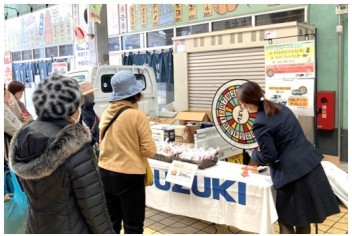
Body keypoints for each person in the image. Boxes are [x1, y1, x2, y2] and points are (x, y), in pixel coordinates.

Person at [9, 74, 115, 234]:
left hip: (35, 226)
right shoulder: (76, 144)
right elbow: (93, 205)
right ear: (72, 106)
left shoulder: (25, 135)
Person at [236, 81, 340, 234]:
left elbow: (269, 156)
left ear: (247, 103)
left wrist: (253, 154)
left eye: (243, 105)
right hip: (310, 164)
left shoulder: (260, 123)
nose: (243, 108)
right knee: (305, 216)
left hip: (292, 176)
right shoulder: (281, 108)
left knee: (286, 218)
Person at [98, 70, 157, 234]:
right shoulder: (137, 115)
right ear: (136, 92)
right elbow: (149, 150)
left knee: (111, 222)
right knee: (133, 225)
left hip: (104, 172)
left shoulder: (106, 113)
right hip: (129, 175)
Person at [79, 81, 100, 149]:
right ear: (83, 97)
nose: (91, 95)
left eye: (92, 93)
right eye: (89, 94)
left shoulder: (89, 109)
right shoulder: (83, 112)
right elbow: (87, 134)